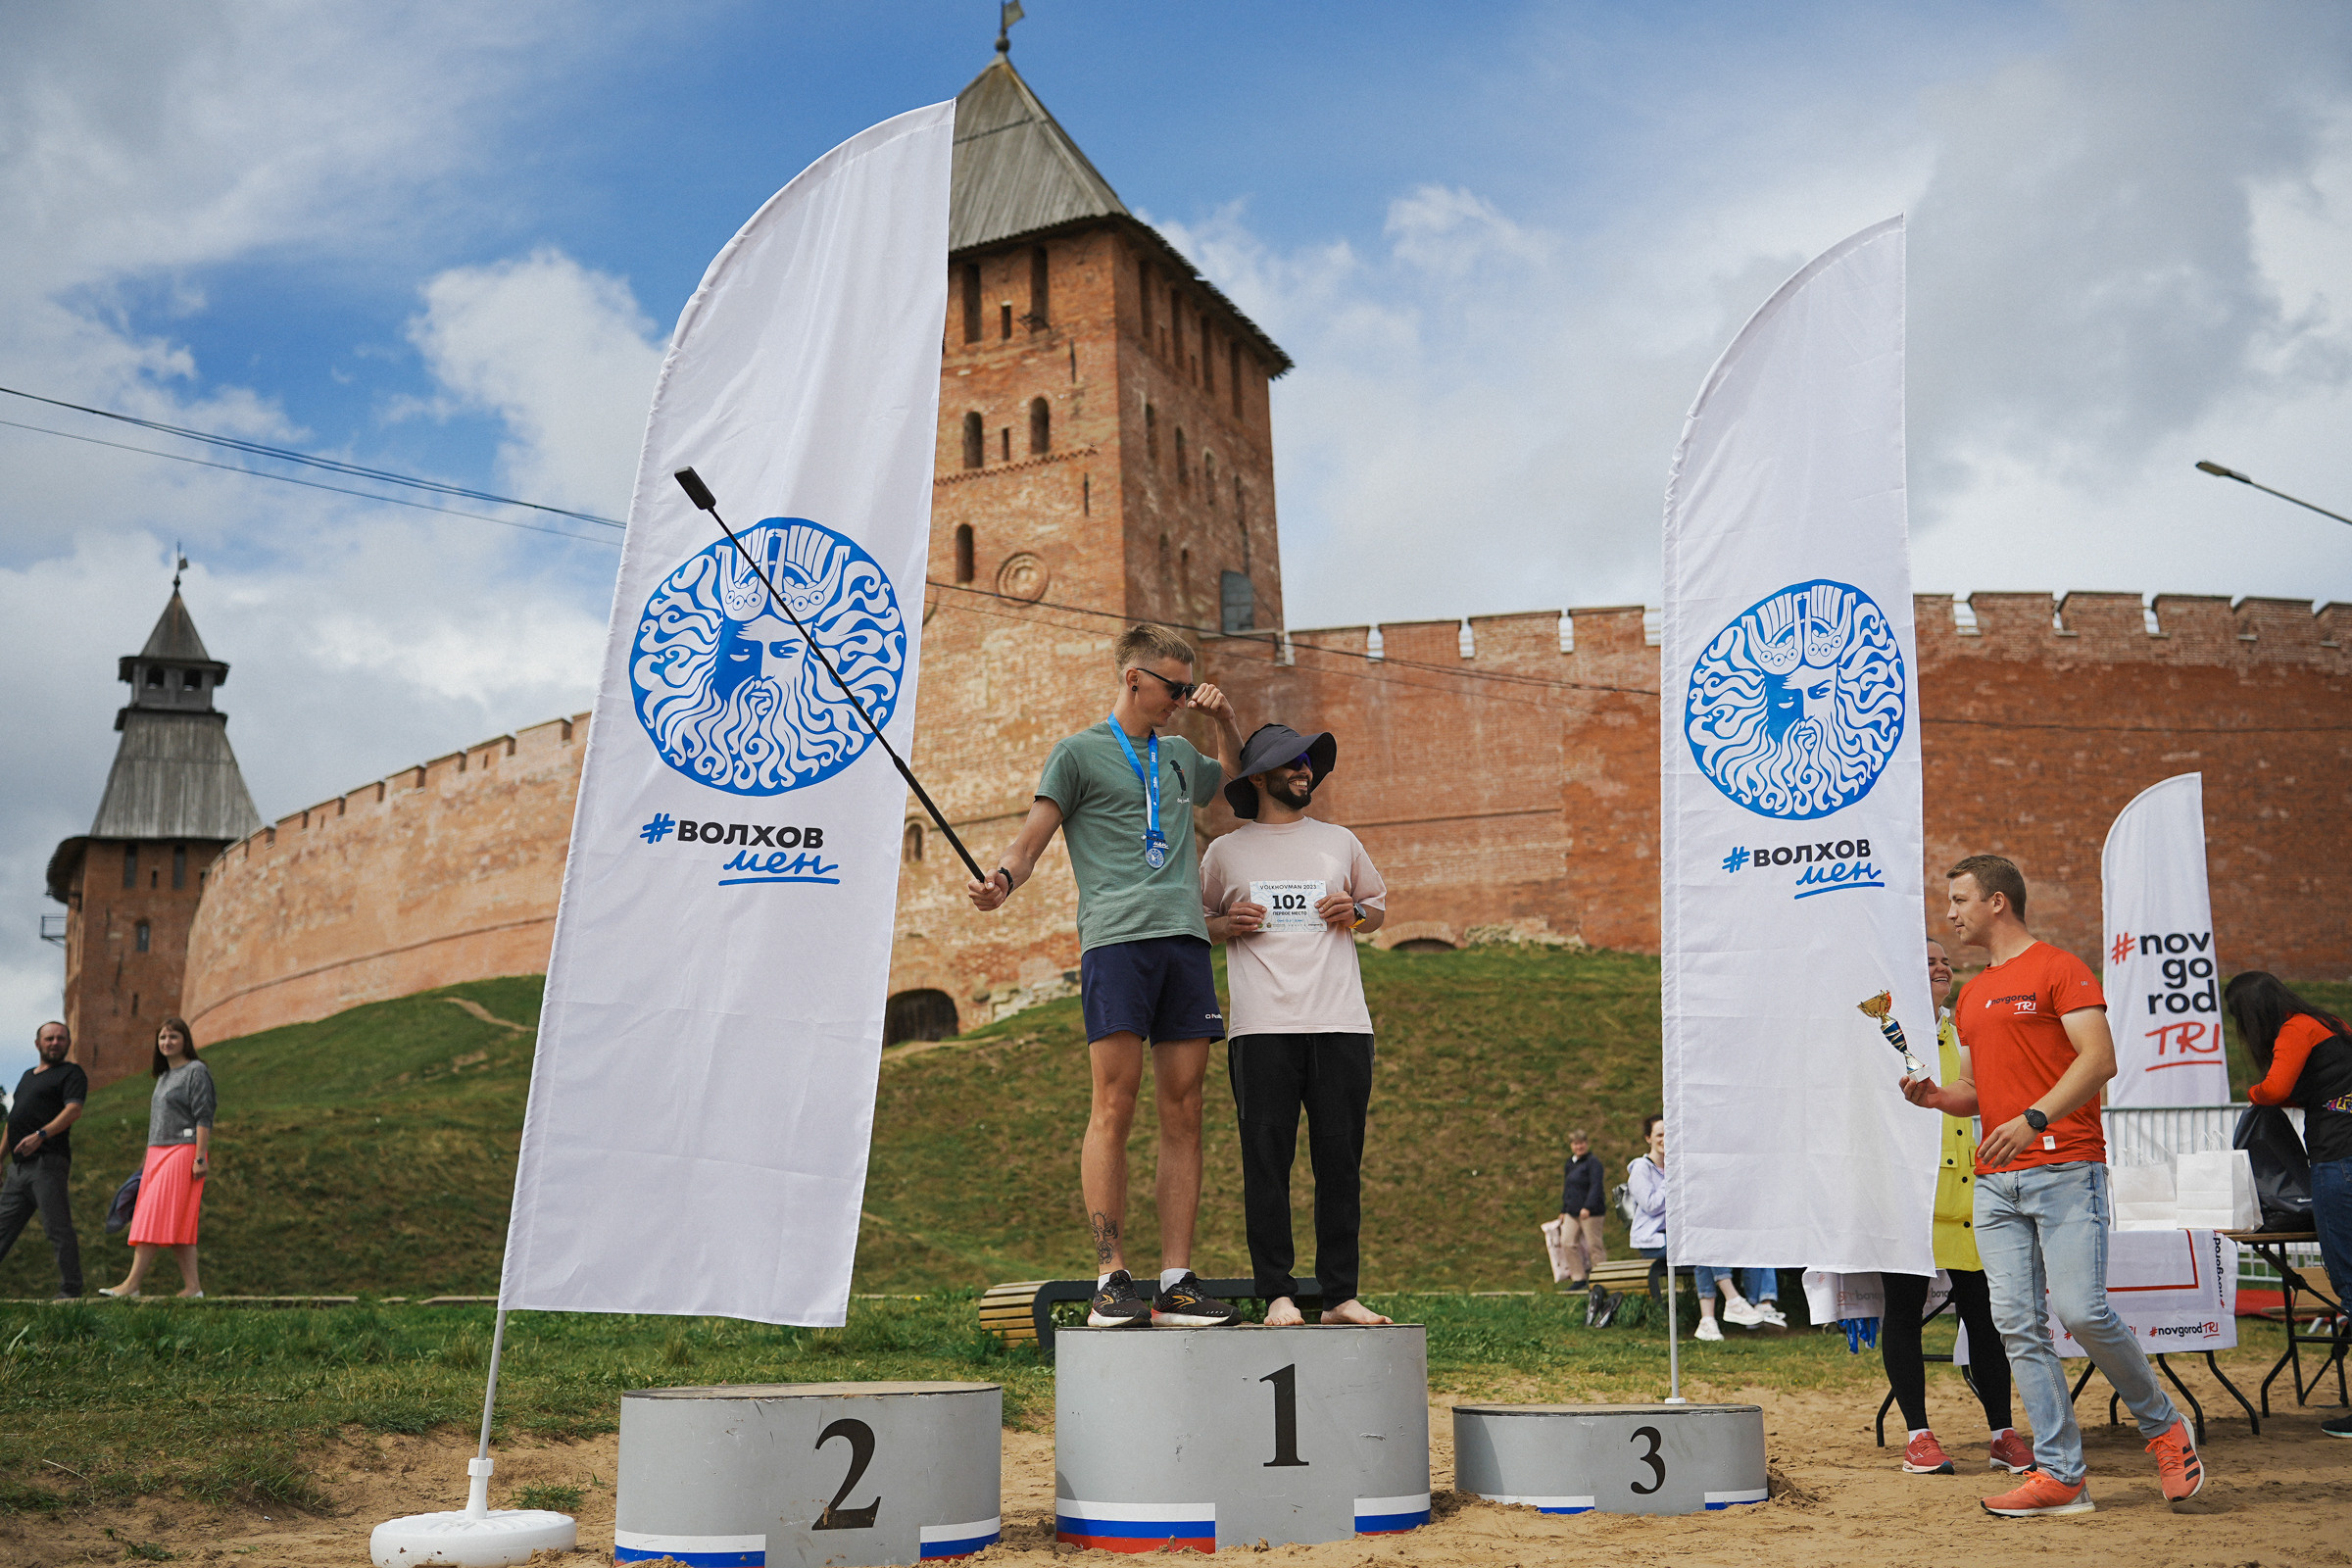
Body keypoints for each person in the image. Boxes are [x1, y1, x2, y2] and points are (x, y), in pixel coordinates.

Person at [1902, 855, 2203, 1514]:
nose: (1950, 914)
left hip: (2066, 1166)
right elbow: (1976, 1093)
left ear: (1998, 902)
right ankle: (2062, 1476)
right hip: (1995, 1182)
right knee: (2017, 1325)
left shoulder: (2060, 969)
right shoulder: (1977, 993)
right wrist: (1934, 1096)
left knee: (2082, 1311)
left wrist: (2034, 1116)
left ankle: (2164, 1428)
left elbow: (2101, 1059)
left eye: (1959, 900)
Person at [969, 624, 1246, 1329]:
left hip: (1184, 944)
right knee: (1113, 1108)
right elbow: (1030, 841)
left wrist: (1225, 720)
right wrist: (1003, 878)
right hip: (1117, 945)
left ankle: (1178, 1280)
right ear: (1133, 679)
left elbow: (1233, 784)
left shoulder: (1184, 753)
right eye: (1173, 688)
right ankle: (1111, 1276)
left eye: (1189, 688)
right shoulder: (1078, 754)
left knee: (1185, 1112)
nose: (1181, 700)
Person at [1200, 721, 1391, 1329]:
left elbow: (1377, 908)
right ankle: (1277, 1294)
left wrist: (1353, 911)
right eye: (1293, 762)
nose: (1306, 770)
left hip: (1341, 1024)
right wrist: (1228, 922)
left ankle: (1341, 1294)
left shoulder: (1340, 839)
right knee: (1267, 1163)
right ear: (1259, 777)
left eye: (1309, 762)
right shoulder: (1224, 851)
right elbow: (1197, 921)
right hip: (1260, 1029)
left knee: (1340, 1163)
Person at [1881, 939, 2029, 1476]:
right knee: (1903, 1313)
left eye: (1945, 960)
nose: (1941, 965)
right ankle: (1918, 1436)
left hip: (1973, 1192)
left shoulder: (1968, 1027)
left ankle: (2002, 1432)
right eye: (1927, 959)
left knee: (1985, 1318)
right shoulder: (1885, 1031)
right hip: (1910, 1195)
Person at [2226, 970, 2352, 1441]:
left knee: (2349, 1280)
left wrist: (2254, 1095)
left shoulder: (2294, 1029)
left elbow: (2275, 1089)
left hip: (2338, 1163)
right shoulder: (2331, 1024)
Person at [100, 1017, 216, 1299]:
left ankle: (131, 1285)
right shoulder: (163, 1077)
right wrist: (145, 1162)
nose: (167, 1042)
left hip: (183, 1149)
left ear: (185, 1040)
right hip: (156, 1153)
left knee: (148, 1216)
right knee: (181, 1224)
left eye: (173, 1037)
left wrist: (200, 1156)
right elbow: (157, 1123)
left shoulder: (196, 1071)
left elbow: (204, 1115)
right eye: (162, 1038)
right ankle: (193, 1288)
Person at [0, 1021, 87, 1298]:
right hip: (18, 1169)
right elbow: (13, 1121)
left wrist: (41, 1134)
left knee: (57, 1229)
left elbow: (73, 1110)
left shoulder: (71, 1073)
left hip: (48, 1164)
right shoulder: (27, 1077)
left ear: (68, 1043)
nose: (55, 1043)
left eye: (61, 1038)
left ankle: (70, 1292)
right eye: (49, 1039)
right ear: (38, 1044)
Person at [1557, 1129, 1606, 1296]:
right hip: (1572, 1211)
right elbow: (1568, 1187)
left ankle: (1601, 1279)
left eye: (1582, 1143)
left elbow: (1596, 1186)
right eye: (1576, 1143)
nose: (1579, 1146)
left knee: (1594, 1246)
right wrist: (1564, 1210)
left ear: (1587, 1143)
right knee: (1567, 1242)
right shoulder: (1570, 1164)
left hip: (1591, 1213)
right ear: (1572, 1146)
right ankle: (1578, 1278)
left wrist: (1588, 1206)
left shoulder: (1593, 1163)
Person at [1626, 1113, 1667, 1302]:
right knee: (1699, 1250)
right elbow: (1651, 1206)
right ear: (1648, 1138)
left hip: (1675, 1235)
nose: (1665, 1139)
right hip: (1652, 1240)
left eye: (1669, 1134)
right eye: (1659, 1135)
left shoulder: (1677, 1167)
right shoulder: (1641, 1168)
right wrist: (1671, 1180)